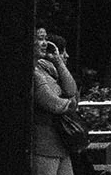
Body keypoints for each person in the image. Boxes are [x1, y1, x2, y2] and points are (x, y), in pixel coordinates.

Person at [33, 25, 80, 175]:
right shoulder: (35, 73)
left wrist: (58, 61)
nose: (45, 43)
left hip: (61, 140)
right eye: (40, 39)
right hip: (43, 142)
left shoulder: (48, 68)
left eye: (46, 39)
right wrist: (70, 103)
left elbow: (71, 90)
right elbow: (53, 103)